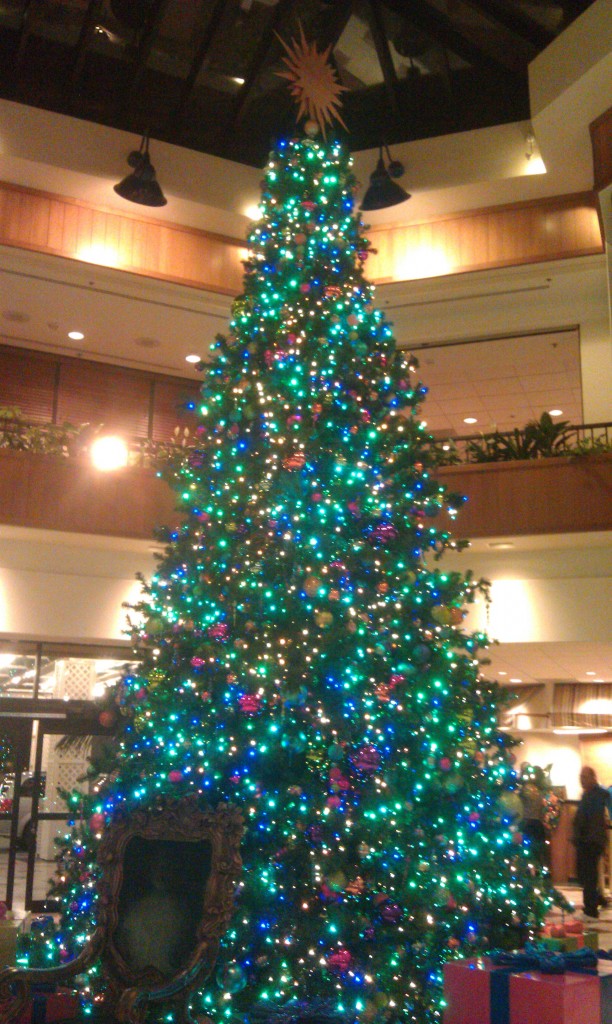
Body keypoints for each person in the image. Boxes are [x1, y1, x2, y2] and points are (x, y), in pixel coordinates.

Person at [572, 766, 609, 920]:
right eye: (581, 776)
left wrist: (580, 836)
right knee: (588, 874)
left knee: (589, 875)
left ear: (593, 777)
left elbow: (588, 819)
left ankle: (591, 910)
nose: (582, 779)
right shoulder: (589, 794)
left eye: (585, 776)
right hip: (588, 840)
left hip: (591, 840)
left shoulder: (597, 795)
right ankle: (597, 900)